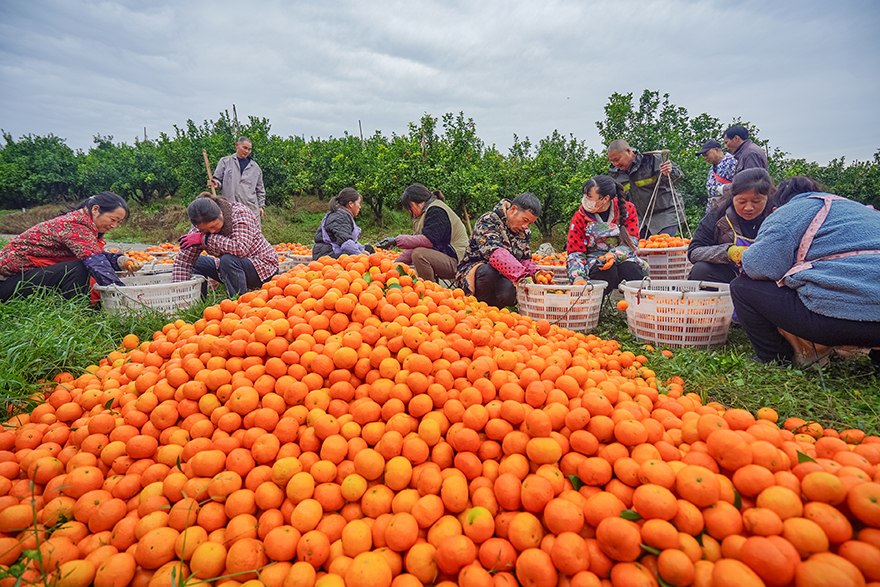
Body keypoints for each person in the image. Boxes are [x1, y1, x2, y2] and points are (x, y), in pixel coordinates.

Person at [730, 177, 880, 367]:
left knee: (742, 287)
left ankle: (774, 359)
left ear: (778, 204)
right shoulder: (861, 210)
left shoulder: (789, 212)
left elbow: (759, 266)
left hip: (836, 319)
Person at [0, 192, 139, 301]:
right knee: (77, 269)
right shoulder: (75, 225)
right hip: (7, 282)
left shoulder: (85, 225)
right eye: (113, 219)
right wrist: (123, 295)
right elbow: (96, 262)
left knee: (84, 265)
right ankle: (79, 315)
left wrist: (120, 260)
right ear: (96, 209)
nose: (114, 226)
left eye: (118, 222)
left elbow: (96, 254)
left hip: (25, 277)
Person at [172, 193, 278, 297]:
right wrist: (180, 293)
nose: (212, 231)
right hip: (230, 268)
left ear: (221, 214)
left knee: (228, 260)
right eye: (206, 230)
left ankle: (238, 304)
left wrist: (205, 238)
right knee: (197, 262)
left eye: (214, 226)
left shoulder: (239, 213)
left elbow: (240, 249)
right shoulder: (198, 228)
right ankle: (198, 302)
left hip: (262, 268)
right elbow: (183, 261)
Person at [687, 168, 775, 284]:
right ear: (732, 197)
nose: (748, 208)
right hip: (732, 276)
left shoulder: (779, 213)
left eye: (757, 201)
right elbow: (694, 252)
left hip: (769, 279)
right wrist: (728, 252)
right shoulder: (719, 215)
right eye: (742, 201)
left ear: (767, 197)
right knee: (700, 270)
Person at [455, 193, 541, 308]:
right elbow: (493, 252)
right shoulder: (488, 221)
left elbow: (524, 259)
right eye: (524, 220)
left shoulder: (524, 233)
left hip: (505, 275)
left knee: (509, 291)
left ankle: (495, 313)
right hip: (476, 272)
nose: (525, 226)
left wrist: (537, 273)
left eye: (529, 223)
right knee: (489, 271)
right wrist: (520, 274)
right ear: (513, 210)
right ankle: (477, 307)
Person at [566, 175, 647, 294]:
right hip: (595, 262)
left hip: (623, 258)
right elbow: (575, 252)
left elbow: (632, 243)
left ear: (605, 199)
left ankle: (637, 306)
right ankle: (594, 306)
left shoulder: (627, 209)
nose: (585, 200)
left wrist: (613, 255)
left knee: (631, 269)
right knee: (606, 270)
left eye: (589, 197)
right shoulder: (580, 217)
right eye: (584, 196)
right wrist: (578, 277)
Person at [376, 184, 469, 283]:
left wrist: (396, 241)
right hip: (446, 257)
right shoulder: (424, 213)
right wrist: (395, 265)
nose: (410, 212)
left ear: (416, 203)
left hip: (459, 261)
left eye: (409, 208)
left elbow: (428, 240)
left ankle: (431, 289)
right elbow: (416, 244)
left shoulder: (436, 211)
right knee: (417, 253)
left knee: (419, 254)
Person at [607, 139, 686, 238]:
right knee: (640, 249)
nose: (615, 164)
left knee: (662, 246)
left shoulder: (652, 160)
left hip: (665, 213)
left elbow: (679, 177)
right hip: (640, 218)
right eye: (612, 161)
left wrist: (669, 172)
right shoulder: (615, 174)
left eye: (617, 159)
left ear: (628, 151)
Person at [208, 137, 266, 221]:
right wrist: (215, 184)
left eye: (249, 149)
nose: (247, 151)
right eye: (245, 148)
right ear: (237, 145)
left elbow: (260, 189)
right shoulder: (225, 161)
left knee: (249, 232)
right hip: (230, 207)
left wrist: (261, 206)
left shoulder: (255, 167)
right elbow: (217, 180)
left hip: (250, 208)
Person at [312, 188, 374, 260]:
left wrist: (362, 250)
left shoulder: (343, 215)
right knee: (352, 257)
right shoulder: (339, 217)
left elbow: (351, 241)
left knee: (368, 249)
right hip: (326, 254)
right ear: (350, 204)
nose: (359, 207)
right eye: (358, 203)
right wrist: (360, 255)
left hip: (335, 250)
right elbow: (346, 243)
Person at [696, 139, 736, 211]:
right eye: (703, 156)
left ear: (716, 150)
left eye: (706, 154)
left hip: (729, 208)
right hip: (714, 209)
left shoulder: (732, 163)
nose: (705, 158)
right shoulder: (712, 169)